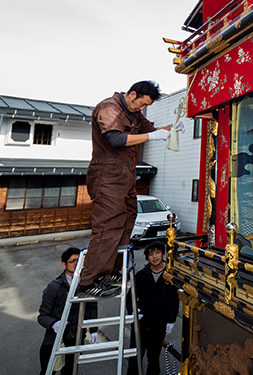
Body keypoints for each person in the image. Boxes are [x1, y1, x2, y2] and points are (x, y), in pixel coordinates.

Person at [78, 81, 184, 298]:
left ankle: (111, 272)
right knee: (108, 225)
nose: (142, 109)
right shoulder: (109, 108)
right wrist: (152, 136)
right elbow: (115, 139)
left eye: (146, 106)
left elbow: (151, 130)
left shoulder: (134, 112)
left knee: (127, 220)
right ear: (132, 94)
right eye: (141, 104)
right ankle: (88, 280)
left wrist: (170, 130)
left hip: (126, 175)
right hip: (107, 174)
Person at [38, 247, 98, 375]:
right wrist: (54, 324)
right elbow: (42, 316)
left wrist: (93, 330)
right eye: (73, 261)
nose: (77, 263)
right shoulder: (54, 287)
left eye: (80, 260)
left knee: (70, 371)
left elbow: (92, 307)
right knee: (48, 371)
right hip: (55, 340)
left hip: (76, 339)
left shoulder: (86, 284)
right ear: (63, 264)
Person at [127, 241, 179, 375]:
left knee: (153, 359)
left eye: (157, 253)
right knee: (134, 359)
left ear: (163, 254)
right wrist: (133, 311)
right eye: (151, 254)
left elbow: (174, 300)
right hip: (141, 324)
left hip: (159, 325)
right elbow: (129, 298)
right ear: (147, 257)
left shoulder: (170, 275)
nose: (155, 257)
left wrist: (171, 321)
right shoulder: (141, 276)